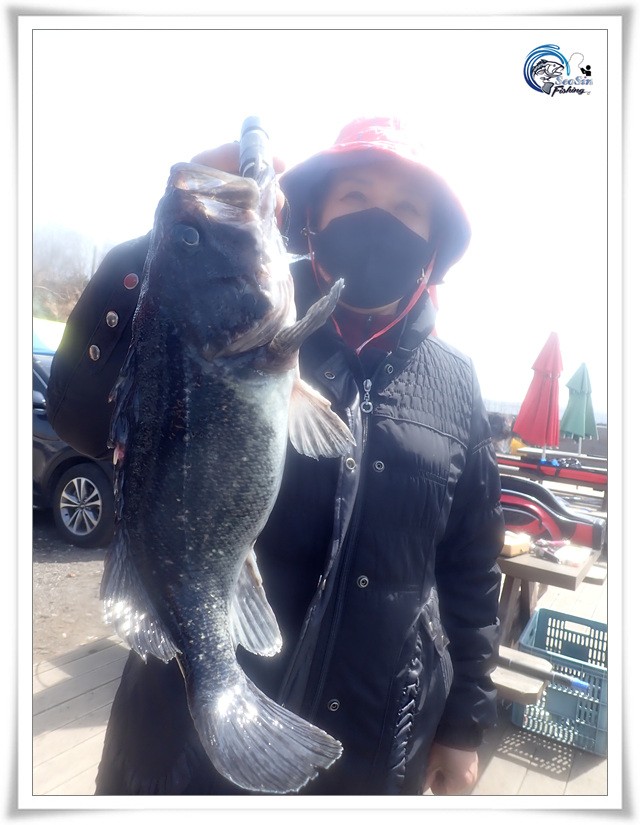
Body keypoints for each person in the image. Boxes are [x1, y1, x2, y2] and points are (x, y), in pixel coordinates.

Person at [46, 116, 504, 796]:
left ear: (433, 242)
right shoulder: (218, 309)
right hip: (181, 753)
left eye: (408, 208)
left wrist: (465, 721)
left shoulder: (457, 382)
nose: (380, 219)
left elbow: (472, 564)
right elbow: (76, 412)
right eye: (356, 196)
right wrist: (175, 234)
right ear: (310, 217)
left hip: (373, 751)